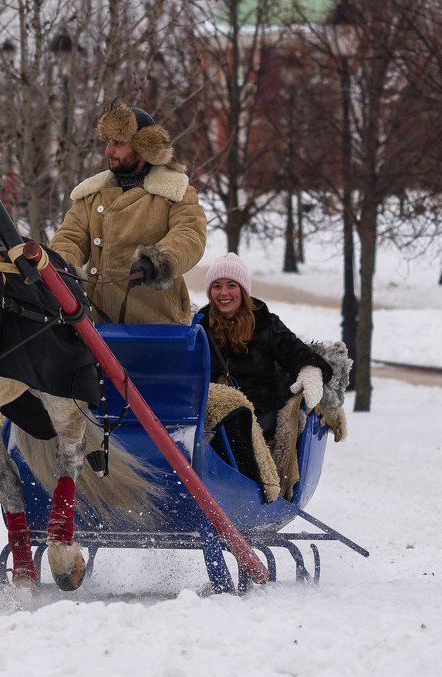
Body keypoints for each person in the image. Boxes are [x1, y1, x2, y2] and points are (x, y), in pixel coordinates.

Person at [50, 99, 207, 324]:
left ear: (143, 148)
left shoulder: (175, 192)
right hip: (96, 327)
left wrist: (157, 260)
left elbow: (190, 235)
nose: (108, 151)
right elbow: (69, 238)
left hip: (157, 327)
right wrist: (64, 269)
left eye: (118, 143)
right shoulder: (92, 194)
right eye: (108, 142)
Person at [201, 252, 333, 441]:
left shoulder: (265, 323)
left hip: (259, 409)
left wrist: (309, 370)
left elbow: (293, 350)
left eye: (231, 285)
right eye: (217, 286)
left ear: (243, 290)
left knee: (236, 429)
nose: (223, 293)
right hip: (214, 409)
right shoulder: (201, 327)